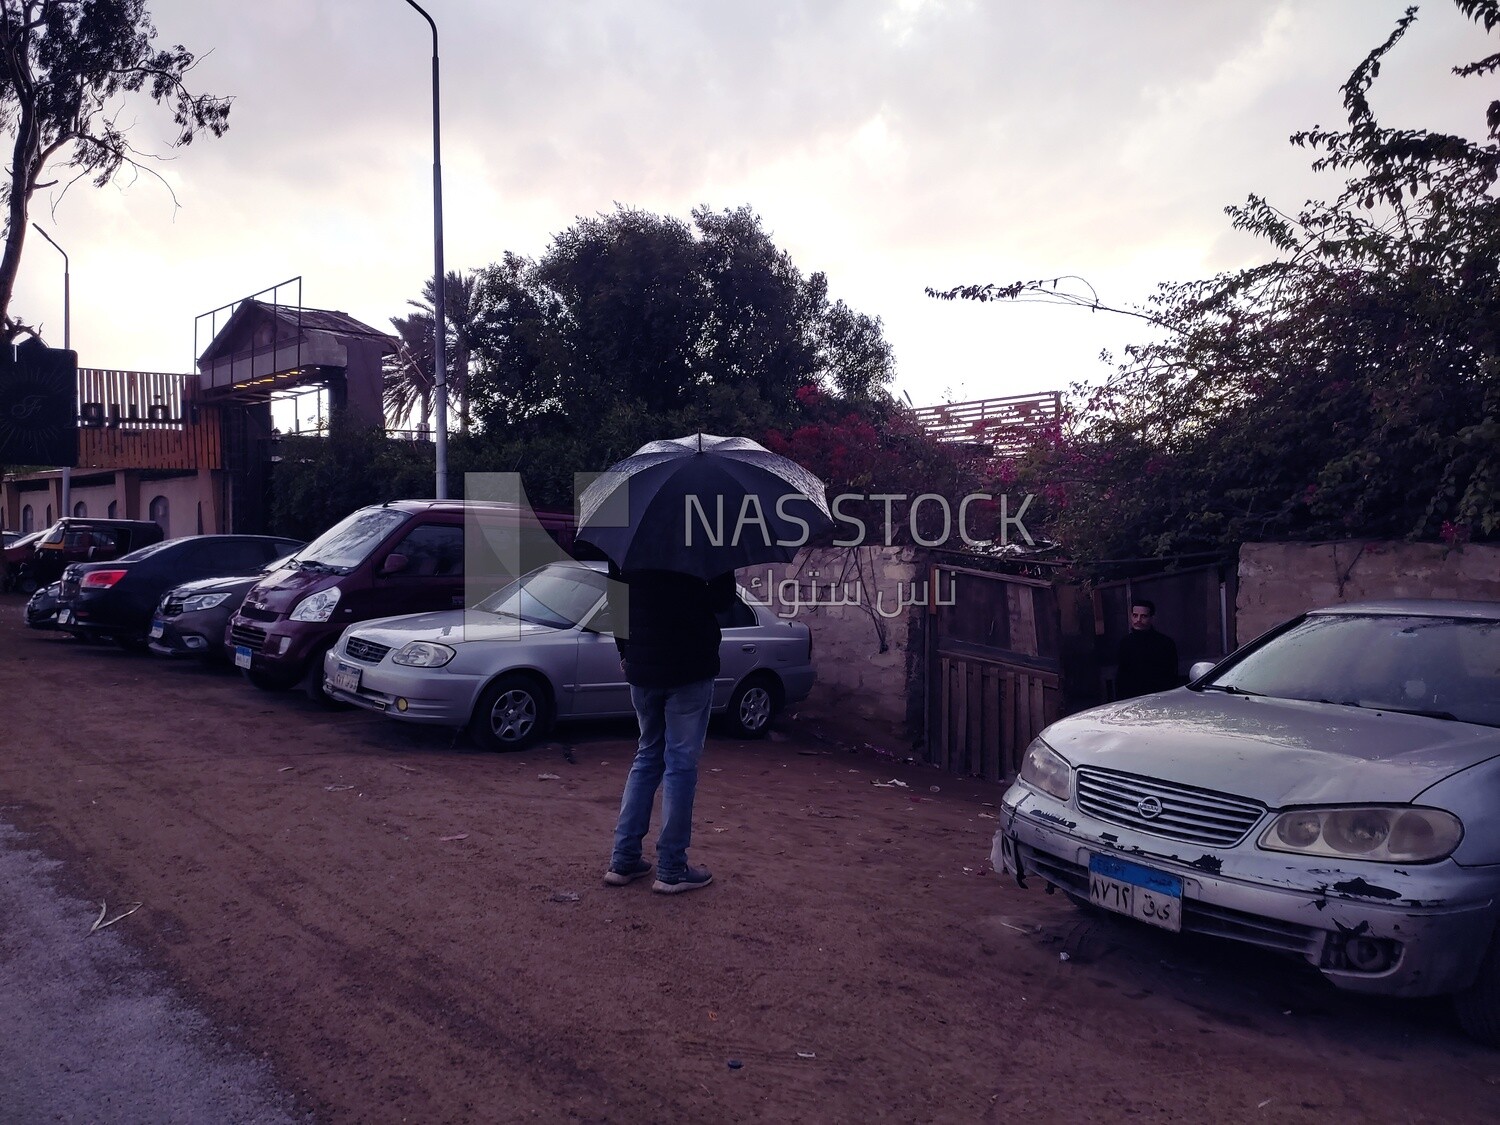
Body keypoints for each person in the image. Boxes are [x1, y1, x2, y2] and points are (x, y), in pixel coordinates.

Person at [604, 564, 737, 895]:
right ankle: (671, 868)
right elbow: (723, 601)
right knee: (680, 764)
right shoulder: (703, 538)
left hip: (643, 667)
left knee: (647, 756)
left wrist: (625, 653)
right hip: (689, 667)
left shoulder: (630, 538)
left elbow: (616, 601)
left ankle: (623, 861)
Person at [1114, 599, 1180, 699]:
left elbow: (1171, 676)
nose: (1138, 620)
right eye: (1135, 615)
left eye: (1143, 616)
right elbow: (1121, 676)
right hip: (1131, 700)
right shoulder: (1125, 643)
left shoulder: (1165, 643)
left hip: (1158, 699)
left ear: (1152, 618)